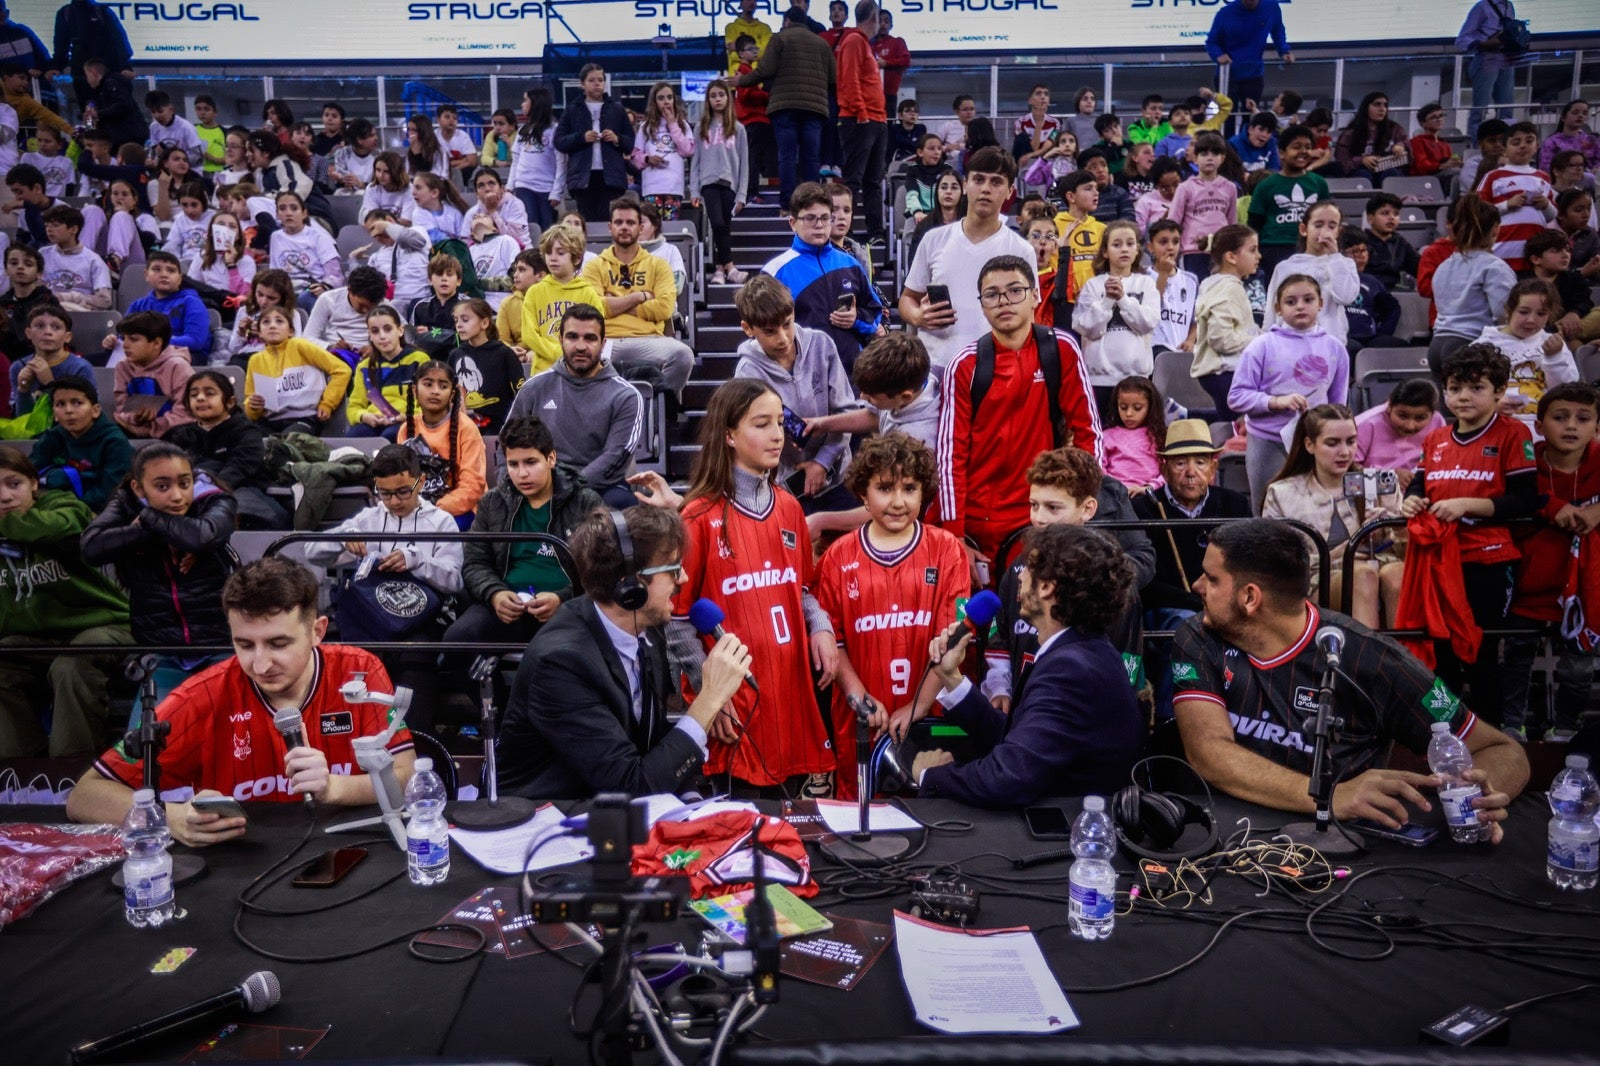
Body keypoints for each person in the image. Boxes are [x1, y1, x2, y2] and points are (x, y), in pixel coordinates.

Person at [1172, 518, 1526, 835]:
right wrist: (1328, 795)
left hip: (1344, 849)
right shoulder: (1198, 637)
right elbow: (1208, 752)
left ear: (1250, 597)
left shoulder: (1375, 660)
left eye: (1212, 579)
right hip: (1227, 833)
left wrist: (1480, 796)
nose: (1196, 585)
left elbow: (1503, 750)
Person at [66, 556, 418, 845]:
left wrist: (334, 787)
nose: (260, 665)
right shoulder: (201, 696)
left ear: (317, 631)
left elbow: (408, 779)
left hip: (346, 850)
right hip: (239, 867)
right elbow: (84, 796)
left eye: (278, 644)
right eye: (245, 645)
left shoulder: (359, 671)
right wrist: (169, 817)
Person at [499, 504, 753, 799]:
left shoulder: (645, 627)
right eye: (673, 569)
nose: (683, 578)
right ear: (630, 586)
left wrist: (691, 803)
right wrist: (708, 700)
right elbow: (630, 785)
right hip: (551, 816)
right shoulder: (560, 663)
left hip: (609, 811)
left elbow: (653, 744)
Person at [662, 378, 838, 798]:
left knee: (787, 820)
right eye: (761, 424)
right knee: (739, 822)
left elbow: (802, 588)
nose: (777, 435)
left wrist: (821, 625)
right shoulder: (697, 516)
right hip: (735, 700)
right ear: (729, 434)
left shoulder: (790, 507)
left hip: (789, 695)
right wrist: (709, 694)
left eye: (779, 422)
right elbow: (676, 620)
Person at [911, 523, 1143, 807]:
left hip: (1068, 829)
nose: (1019, 577)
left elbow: (1009, 776)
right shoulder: (1080, 652)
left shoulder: (1071, 669)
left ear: (1046, 587)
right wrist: (951, 678)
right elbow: (1021, 741)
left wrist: (932, 776)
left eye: (1028, 568)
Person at [813, 433, 968, 797]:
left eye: (910, 488)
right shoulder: (837, 557)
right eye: (885, 488)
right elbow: (833, 641)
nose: (898, 501)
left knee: (933, 809)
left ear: (924, 492)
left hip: (929, 717)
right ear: (863, 495)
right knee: (862, 811)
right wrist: (858, 695)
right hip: (863, 718)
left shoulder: (946, 550)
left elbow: (954, 638)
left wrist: (919, 706)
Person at [1398, 344, 1537, 727]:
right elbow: (1419, 485)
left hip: (1489, 561)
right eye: (1455, 388)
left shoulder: (1513, 433)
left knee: (1480, 653)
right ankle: (1442, 732)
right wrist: (1411, 502)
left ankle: (1490, 736)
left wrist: (1466, 506)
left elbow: (1525, 501)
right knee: (1439, 654)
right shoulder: (1436, 438)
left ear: (1499, 391)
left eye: (1476, 387)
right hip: (1438, 563)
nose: (1463, 396)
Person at [936, 254, 1102, 571]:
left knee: (1041, 601)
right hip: (979, 524)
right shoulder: (965, 365)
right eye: (992, 294)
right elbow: (949, 455)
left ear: (1035, 295)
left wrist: (1078, 503)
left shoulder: (1062, 349)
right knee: (979, 605)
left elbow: (1089, 432)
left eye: (1015, 290)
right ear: (982, 305)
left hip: (1044, 515)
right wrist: (955, 535)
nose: (1004, 301)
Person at [977, 445, 1154, 714]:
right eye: (1034, 505)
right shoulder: (1017, 570)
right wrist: (1000, 688)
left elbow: (1125, 672)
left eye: (1053, 507)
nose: (1039, 518)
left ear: (1088, 509)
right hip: (1022, 717)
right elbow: (999, 638)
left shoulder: (1112, 583)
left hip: (1088, 721)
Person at [0, 443, 130, 759]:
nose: (5, 496)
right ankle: (19, 772)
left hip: (105, 624)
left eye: (14, 483)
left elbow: (64, 525)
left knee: (70, 665)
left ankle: (71, 771)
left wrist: (6, 525)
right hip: (36, 638)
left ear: (34, 483)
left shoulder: (64, 505)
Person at [448, 414, 602, 680]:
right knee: (455, 641)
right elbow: (475, 562)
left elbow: (603, 569)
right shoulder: (492, 502)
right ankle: (499, 703)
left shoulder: (585, 501)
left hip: (569, 609)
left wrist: (563, 598)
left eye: (531, 462)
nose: (522, 473)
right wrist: (495, 593)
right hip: (508, 608)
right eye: (513, 464)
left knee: (557, 659)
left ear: (551, 458)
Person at [81, 442, 236, 699]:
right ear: (138, 488)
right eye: (162, 487)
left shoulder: (213, 497)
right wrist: (161, 532)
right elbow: (91, 548)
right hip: (161, 650)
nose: (177, 496)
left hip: (222, 645)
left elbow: (201, 537)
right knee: (151, 723)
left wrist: (148, 519)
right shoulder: (125, 502)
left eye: (184, 483)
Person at [1133, 420, 1252, 719]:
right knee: (1186, 626)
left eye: (1200, 462)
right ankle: (1171, 720)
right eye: (1180, 463)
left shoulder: (1235, 505)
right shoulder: (1144, 508)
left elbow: (1247, 566)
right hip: (1167, 608)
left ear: (1213, 468)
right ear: (1164, 468)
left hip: (1223, 603)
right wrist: (1195, 602)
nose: (1190, 472)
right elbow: (1146, 583)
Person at [1503, 382, 1600, 742]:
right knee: (1517, 656)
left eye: (1583, 418)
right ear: (1540, 425)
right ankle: (1512, 727)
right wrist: (1551, 506)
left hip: (1586, 589)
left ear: (1597, 426)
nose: (1571, 425)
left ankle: (1566, 729)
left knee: (1578, 665)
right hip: (1529, 581)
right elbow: (1505, 495)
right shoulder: (1524, 461)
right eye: (1560, 417)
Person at [1262, 404, 1404, 629]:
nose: (1345, 452)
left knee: (1399, 573)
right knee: (1362, 575)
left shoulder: (1381, 483)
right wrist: (1341, 553)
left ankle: (1405, 652)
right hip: (1315, 578)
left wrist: (1397, 530)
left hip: (1380, 565)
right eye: (1332, 443)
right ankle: (1366, 652)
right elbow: (1275, 564)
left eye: (1351, 441)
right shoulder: (1282, 493)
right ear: (1310, 445)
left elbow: (1407, 553)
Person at [733, 273, 859, 513]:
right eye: (769, 331)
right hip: (787, 488)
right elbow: (754, 435)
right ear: (748, 329)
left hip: (840, 477)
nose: (782, 338)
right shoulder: (747, 371)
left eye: (787, 324)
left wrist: (822, 463)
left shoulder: (821, 344)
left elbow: (846, 412)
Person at [900, 147, 1035, 369]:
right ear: (965, 184)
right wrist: (917, 316)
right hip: (938, 365)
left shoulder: (1022, 250)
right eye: (978, 180)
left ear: (1010, 191)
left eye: (996, 182)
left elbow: (1029, 316)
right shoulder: (933, 239)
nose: (986, 189)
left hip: (998, 367)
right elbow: (908, 298)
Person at [1230, 273, 1349, 512]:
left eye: (1308, 299)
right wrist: (1274, 402)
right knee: (1266, 509)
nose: (1300, 306)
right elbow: (1236, 397)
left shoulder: (1335, 348)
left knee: (1316, 510)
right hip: (1268, 440)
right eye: (1291, 302)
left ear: (1321, 303)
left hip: (1315, 443)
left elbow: (1338, 406)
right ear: (1278, 308)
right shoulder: (1261, 346)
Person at [506, 304, 643, 509]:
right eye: (572, 337)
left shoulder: (626, 396)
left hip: (598, 488)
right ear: (560, 340)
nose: (580, 346)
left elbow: (614, 457)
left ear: (603, 344)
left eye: (590, 338)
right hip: (538, 482)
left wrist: (562, 491)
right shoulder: (534, 388)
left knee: (622, 503)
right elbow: (506, 443)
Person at [762, 182, 883, 370]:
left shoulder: (850, 263)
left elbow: (874, 311)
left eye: (825, 218)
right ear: (793, 223)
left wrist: (856, 318)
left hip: (852, 374)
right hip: (802, 374)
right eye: (810, 218)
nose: (819, 225)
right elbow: (764, 331)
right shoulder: (775, 272)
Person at [581, 196, 694, 397]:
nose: (624, 227)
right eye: (619, 222)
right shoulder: (594, 266)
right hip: (607, 340)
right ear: (610, 227)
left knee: (683, 356)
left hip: (649, 339)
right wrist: (640, 296)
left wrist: (615, 303)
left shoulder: (658, 265)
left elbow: (665, 308)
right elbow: (595, 308)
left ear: (640, 228)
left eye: (630, 222)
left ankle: (658, 405)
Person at [734, 7, 837, 210]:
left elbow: (765, 70)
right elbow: (833, 78)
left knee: (787, 157)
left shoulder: (780, 39)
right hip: (814, 108)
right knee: (811, 158)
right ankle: (813, 205)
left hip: (785, 107)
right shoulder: (821, 43)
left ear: (787, 21)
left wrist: (741, 80)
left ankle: (787, 206)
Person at [163, 369, 286, 530]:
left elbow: (239, 469)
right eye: (194, 395)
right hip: (188, 493)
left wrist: (204, 490)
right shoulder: (179, 434)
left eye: (209, 393)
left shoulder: (246, 432)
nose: (200, 398)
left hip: (241, 490)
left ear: (230, 402)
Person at [1074, 220, 1159, 414]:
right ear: (1105, 252)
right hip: (1099, 380)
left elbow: (1147, 323)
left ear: (1137, 250)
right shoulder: (1093, 286)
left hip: (1137, 379)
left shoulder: (1146, 284)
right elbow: (1086, 328)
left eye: (1130, 243)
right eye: (1117, 244)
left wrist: (1123, 299)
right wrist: (1107, 301)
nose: (1124, 249)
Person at [1429, 196, 1517, 379]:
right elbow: (1504, 313)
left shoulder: (1444, 265)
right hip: (1470, 345)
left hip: (1437, 345)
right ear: (1495, 229)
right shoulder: (1494, 266)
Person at [396, 359, 486, 526]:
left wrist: (435, 509)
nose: (435, 391)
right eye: (428, 384)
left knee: (433, 532)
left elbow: (473, 485)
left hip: (460, 510)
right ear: (415, 390)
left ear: (452, 394)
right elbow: (402, 480)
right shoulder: (406, 429)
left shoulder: (466, 428)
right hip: (417, 509)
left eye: (443, 386)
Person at [1264, 200, 1359, 345]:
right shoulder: (1285, 267)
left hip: (1329, 344)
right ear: (1304, 229)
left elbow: (1345, 297)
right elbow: (1272, 311)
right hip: (1289, 343)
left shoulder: (1345, 264)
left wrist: (1334, 256)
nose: (1325, 232)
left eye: (1332, 226)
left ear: (1339, 232)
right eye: (1318, 225)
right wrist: (1267, 340)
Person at [32, 375, 131, 511]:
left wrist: (68, 504)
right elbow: (28, 472)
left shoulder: (115, 442)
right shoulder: (53, 436)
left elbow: (110, 494)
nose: (68, 410)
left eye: (77, 403)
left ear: (95, 411)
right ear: (54, 414)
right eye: (60, 404)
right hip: (55, 505)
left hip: (97, 510)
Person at [555, 64, 634, 225]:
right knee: (587, 223)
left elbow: (631, 143)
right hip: (582, 177)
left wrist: (617, 139)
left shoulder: (617, 109)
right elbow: (559, 141)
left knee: (609, 222)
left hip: (611, 177)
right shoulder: (572, 110)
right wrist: (581, 138)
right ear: (582, 84)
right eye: (591, 80)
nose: (597, 84)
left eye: (600, 80)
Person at [835, 1, 886, 247]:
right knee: (854, 179)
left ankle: (876, 232)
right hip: (860, 119)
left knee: (873, 180)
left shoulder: (863, 44)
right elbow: (849, 79)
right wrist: (861, 112)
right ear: (873, 17)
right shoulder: (854, 41)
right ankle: (846, 231)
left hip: (876, 118)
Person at [1248, 124, 1328, 278]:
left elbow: (1327, 219)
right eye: (1296, 147)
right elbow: (1254, 224)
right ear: (1282, 153)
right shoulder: (1266, 185)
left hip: (1310, 246)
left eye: (1308, 147)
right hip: (1274, 248)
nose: (1303, 151)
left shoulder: (1319, 183)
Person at [1478, 121, 1556, 274]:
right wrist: (1507, 205)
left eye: (1529, 141)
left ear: (1537, 146)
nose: (1523, 146)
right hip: (1501, 252)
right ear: (1504, 150)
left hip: (1535, 256)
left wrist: (1546, 205)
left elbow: (1551, 216)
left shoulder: (1543, 177)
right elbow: (1478, 211)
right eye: (1516, 142)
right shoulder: (1494, 176)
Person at [109, 311, 192, 440]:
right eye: (123, 338)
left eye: (133, 339)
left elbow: (185, 412)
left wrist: (152, 428)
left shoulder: (178, 366)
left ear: (157, 343)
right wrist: (135, 417)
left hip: (172, 430)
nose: (125, 345)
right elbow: (122, 408)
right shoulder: (123, 367)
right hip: (133, 427)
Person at [1205, 0, 1292, 120]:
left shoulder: (1271, 7)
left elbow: (1278, 31)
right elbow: (1211, 42)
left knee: (1251, 116)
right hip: (1228, 74)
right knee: (1227, 116)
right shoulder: (1225, 13)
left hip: (1254, 74)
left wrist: (1284, 51)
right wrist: (1218, 55)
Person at [449, 297, 524, 435]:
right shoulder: (455, 354)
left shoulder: (504, 353)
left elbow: (520, 392)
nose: (459, 325)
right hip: (464, 427)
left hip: (500, 427)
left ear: (484, 323)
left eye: (465, 320)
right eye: (456, 320)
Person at [1168, 132, 1238, 279]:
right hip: (1192, 251)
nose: (1210, 158)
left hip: (1221, 251)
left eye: (1215, 153)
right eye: (1204, 154)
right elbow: (1173, 222)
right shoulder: (1185, 188)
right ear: (1195, 158)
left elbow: (1232, 223)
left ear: (1222, 158)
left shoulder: (1230, 187)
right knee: (1196, 288)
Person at [1354, 378, 1444, 487]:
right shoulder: (1366, 424)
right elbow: (1348, 469)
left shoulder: (1437, 421)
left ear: (1432, 413)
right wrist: (1387, 476)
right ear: (1389, 406)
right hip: (1374, 492)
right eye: (1402, 416)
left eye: (1420, 418)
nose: (1410, 426)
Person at [50, 1, 132, 114]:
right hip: (82, 76)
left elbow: (119, 40)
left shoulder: (102, 11)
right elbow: (61, 44)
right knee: (89, 114)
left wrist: (126, 66)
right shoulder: (65, 13)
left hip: (107, 73)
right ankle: (91, 126)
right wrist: (56, 66)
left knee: (114, 111)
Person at [1456, 0, 1522, 137]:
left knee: (1506, 109)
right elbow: (1462, 39)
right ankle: (1476, 143)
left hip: (1506, 57)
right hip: (1486, 58)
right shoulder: (1482, 7)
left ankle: (1506, 143)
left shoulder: (1509, 5)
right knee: (1480, 109)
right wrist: (1484, 43)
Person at [9, 303, 89, 416]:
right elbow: (22, 419)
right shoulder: (18, 367)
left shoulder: (80, 368)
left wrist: (50, 384)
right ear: (28, 333)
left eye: (56, 327)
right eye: (40, 326)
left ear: (67, 337)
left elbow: (81, 416)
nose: (48, 332)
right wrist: (23, 390)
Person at [632, 81, 694, 221]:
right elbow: (635, 157)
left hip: (674, 187)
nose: (666, 102)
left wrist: (673, 124)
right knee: (653, 226)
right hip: (652, 187)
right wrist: (648, 159)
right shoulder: (645, 126)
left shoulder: (683, 125)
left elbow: (687, 151)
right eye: (661, 98)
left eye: (669, 97)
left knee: (672, 227)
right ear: (654, 102)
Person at [1102, 375, 1166, 497]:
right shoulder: (1107, 436)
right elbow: (1098, 468)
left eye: (1137, 408)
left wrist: (1149, 488)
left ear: (1150, 407)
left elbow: (1168, 471)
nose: (1129, 413)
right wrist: (1113, 487)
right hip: (1114, 495)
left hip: (1149, 494)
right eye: (1123, 407)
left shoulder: (1159, 436)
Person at [39, 203, 111, 311]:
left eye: (55, 225)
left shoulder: (93, 260)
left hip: (78, 313)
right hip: (45, 310)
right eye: (47, 225)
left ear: (73, 229)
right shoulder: (42, 254)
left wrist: (70, 297)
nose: (49, 229)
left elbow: (104, 301)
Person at [305, 265, 388, 356]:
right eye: (361, 305)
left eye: (370, 307)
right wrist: (330, 347)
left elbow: (398, 334)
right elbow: (307, 337)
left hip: (371, 356)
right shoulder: (328, 299)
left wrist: (376, 348)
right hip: (335, 355)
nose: (365, 311)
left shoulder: (383, 304)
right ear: (349, 290)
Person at [1334, 92, 1409, 183]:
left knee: (1391, 173)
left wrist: (1400, 145)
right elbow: (1341, 162)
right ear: (1366, 108)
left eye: (1385, 105)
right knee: (1363, 176)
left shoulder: (1395, 129)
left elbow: (1409, 153)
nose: (1382, 109)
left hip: (1387, 170)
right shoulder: (1350, 133)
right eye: (1377, 104)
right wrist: (1361, 160)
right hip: (1360, 171)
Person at [1361, 192, 1420, 291]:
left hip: (1395, 293)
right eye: (1385, 213)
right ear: (1370, 219)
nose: (1391, 218)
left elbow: (1419, 268)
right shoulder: (1361, 241)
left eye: (1396, 214)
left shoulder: (1400, 242)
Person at [1540, 100, 1600, 174]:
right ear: (1563, 118)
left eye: (1584, 113)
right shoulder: (1552, 141)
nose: (1580, 116)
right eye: (1575, 113)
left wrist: (1596, 168)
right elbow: (1545, 167)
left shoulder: (1591, 140)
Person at [871, 9, 910, 113]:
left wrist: (886, 63)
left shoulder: (897, 42)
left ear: (891, 25)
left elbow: (905, 60)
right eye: (880, 21)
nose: (883, 24)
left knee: (889, 120)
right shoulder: (868, 44)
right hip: (870, 93)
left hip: (889, 93)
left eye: (886, 21)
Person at [724, 0, 772, 75]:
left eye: (754, 0)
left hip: (759, 77)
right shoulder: (731, 28)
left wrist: (739, 47)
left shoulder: (765, 28)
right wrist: (757, 49)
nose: (751, 2)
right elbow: (733, 55)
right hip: (736, 76)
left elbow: (767, 53)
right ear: (741, 4)